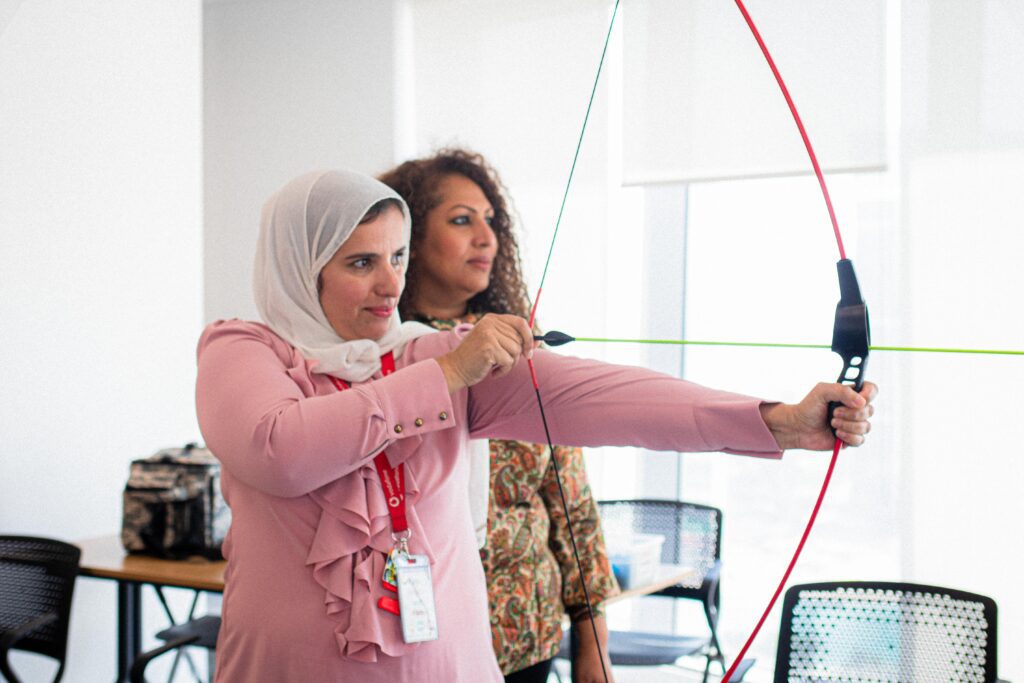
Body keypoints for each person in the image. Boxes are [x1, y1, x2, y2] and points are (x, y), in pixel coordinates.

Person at [195, 168, 876, 682]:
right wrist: (450, 372)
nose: (389, 284)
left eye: (396, 257)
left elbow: (607, 398)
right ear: (298, 266)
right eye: (361, 262)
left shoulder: (424, 353)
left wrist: (778, 422)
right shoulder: (243, 349)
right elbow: (277, 449)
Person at [379, 149, 618, 683]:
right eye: (462, 220)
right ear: (407, 239)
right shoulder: (374, 354)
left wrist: (593, 641)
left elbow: (570, 500)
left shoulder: (517, 345)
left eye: (492, 221)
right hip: (415, 639)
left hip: (524, 634)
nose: (486, 238)